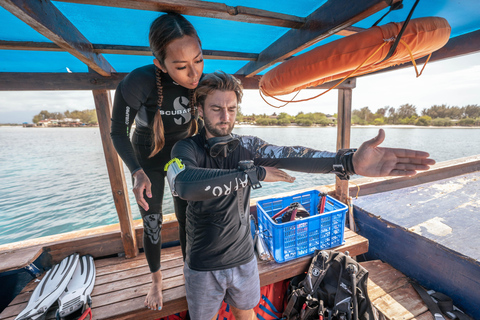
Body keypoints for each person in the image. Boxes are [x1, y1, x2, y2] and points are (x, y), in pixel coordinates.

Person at [166, 71, 436, 320]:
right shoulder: (185, 149)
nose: (225, 116)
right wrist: (253, 174)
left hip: (243, 257)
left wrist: (349, 162)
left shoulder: (246, 146)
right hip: (202, 263)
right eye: (216, 109)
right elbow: (184, 184)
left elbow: (293, 154)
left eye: (232, 109)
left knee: (245, 313)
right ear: (200, 110)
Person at [110, 13, 203, 311]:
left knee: (188, 217)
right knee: (152, 221)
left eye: (198, 60)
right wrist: (136, 172)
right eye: (181, 66)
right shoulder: (140, 82)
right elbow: (117, 132)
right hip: (146, 159)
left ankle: (191, 273)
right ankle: (156, 280)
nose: (194, 73)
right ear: (160, 64)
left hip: (182, 157)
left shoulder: (202, 82)